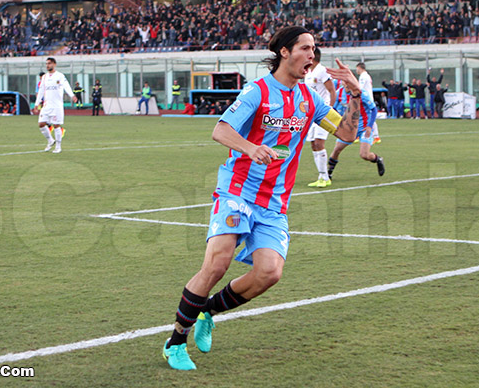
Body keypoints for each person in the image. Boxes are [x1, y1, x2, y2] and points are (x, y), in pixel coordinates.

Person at [161, 26, 362, 371]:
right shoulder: (257, 91)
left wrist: (355, 94)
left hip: (274, 202)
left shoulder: (310, 99)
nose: (312, 55)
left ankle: (208, 311)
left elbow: (347, 132)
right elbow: (220, 130)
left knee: (269, 273)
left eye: (314, 49)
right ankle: (176, 342)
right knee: (217, 264)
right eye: (305, 48)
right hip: (238, 190)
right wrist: (250, 148)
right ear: (285, 52)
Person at [327, 79, 385, 178]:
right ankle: (328, 174)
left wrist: (369, 126)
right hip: (349, 128)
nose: (347, 84)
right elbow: (333, 109)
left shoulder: (361, 93)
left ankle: (378, 159)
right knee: (336, 150)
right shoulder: (339, 93)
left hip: (363, 128)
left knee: (364, 155)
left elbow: (373, 109)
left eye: (349, 82)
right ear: (342, 83)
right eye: (345, 82)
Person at [305, 47, 336, 188]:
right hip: (311, 113)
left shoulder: (322, 70)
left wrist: (330, 108)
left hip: (322, 112)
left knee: (319, 142)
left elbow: (332, 91)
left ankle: (325, 177)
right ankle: (321, 176)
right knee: (313, 144)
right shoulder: (308, 72)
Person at [33, 58, 77, 153]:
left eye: (49, 63)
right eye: (46, 64)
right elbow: (41, 91)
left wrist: (72, 95)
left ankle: (58, 146)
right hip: (46, 105)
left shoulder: (60, 76)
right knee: (41, 124)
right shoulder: (44, 77)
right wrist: (37, 103)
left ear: (54, 64)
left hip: (57, 106)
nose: (47, 65)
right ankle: (50, 140)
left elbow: (66, 86)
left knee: (56, 125)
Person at [356, 62, 380, 143]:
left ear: (359, 68)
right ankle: (374, 136)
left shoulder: (363, 76)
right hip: (367, 98)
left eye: (357, 69)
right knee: (365, 116)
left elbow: (360, 88)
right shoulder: (367, 75)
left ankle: (376, 136)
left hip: (366, 99)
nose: (356, 70)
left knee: (368, 117)